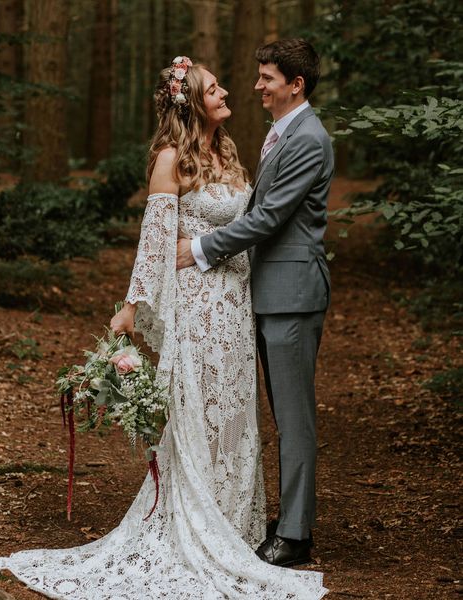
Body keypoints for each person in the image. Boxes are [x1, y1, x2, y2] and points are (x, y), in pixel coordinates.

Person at [0, 56, 328, 599]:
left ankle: (236, 523)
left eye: (227, 85)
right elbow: (154, 243)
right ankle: (197, 523)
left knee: (235, 416)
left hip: (236, 307)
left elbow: (257, 220)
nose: (230, 92)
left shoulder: (228, 151)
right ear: (192, 101)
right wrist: (131, 306)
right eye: (215, 88)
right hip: (198, 308)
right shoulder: (171, 159)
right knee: (198, 414)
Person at [177, 39, 334, 568]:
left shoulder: (308, 139)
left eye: (267, 78)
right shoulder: (279, 134)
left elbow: (267, 219)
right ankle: (290, 515)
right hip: (267, 293)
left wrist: (198, 248)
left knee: (294, 418)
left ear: (296, 84)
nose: (257, 86)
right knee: (281, 414)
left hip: (291, 295)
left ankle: (295, 534)